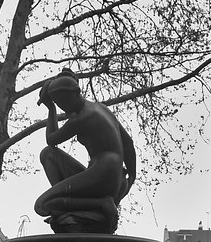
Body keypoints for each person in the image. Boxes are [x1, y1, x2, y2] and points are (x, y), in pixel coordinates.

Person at [34, 68, 136, 233]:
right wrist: (131, 176)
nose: (64, 108)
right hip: (111, 176)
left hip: (103, 176)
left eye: (64, 104)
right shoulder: (100, 108)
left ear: (75, 94)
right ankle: (70, 207)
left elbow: (51, 140)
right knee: (48, 155)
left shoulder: (82, 117)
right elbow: (128, 143)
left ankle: (100, 204)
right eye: (59, 105)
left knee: (42, 205)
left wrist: (50, 108)